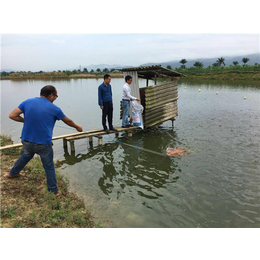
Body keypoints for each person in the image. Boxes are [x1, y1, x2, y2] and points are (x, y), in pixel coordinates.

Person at [7, 85, 82, 197]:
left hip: (26, 140)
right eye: (56, 96)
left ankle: (13, 173)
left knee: (27, 154)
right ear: (51, 95)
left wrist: (26, 121)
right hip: (43, 144)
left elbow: (12, 115)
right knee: (49, 166)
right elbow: (68, 121)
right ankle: (53, 191)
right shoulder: (54, 108)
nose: (56, 98)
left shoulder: (28, 101)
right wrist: (77, 127)